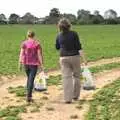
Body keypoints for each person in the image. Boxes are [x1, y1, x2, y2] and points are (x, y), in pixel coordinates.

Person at [55, 18, 87, 103]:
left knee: (66, 77)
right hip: (75, 57)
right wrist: (84, 59)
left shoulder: (58, 35)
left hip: (63, 58)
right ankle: (75, 96)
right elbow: (79, 47)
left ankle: (67, 99)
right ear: (69, 25)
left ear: (60, 26)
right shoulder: (74, 34)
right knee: (77, 76)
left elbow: (57, 47)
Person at [19, 30, 43, 102]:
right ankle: (29, 96)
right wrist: (41, 64)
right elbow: (39, 55)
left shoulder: (24, 43)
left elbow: (21, 53)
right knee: (31, 79)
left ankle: (28, 94)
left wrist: (20, 63)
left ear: (27, 36)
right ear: (34, 35)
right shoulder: (37, 43)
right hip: (34, 64)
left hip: (26, 64)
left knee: (29, 79)